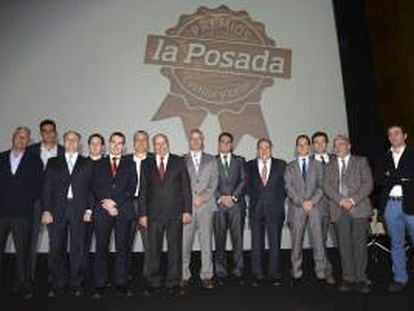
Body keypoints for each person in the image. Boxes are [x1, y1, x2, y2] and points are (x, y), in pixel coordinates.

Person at [41, 131, 94, 298]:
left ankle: (75, 283)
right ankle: (58, 283)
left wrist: (89, 209)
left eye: (75, 140)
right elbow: (47, 187)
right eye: (68, 139)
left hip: (79, 210)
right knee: (57, 246)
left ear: (79, 143)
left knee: (78, 248)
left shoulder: (87, 163)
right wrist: (46, 210)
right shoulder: (53, 162)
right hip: (57, 210)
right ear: (64, 142)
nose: (71, 142)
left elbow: (91, 189)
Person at [138, 133, 192, 297]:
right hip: (153, 214)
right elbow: (143, 190)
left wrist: (187, 210)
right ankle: (154, 282)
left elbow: (186, 188)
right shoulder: (146, 163)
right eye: (157, 144)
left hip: (175, 213)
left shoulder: (179, 161)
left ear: (168, 143)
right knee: (154, 250)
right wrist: (142, 214)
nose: (160, 147)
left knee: (175, 249)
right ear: (153, 146)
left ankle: (173, 282)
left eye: (163, 143)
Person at [324, 135, 373, 293]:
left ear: (349, 146)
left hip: (358, 208)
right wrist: (340, 200)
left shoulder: (361, 161)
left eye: (341, 144)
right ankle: (348, 278)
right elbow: (327, 186)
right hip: (339, 210)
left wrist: (352, 200)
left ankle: (361, 278)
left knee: (359, 245)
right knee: (344, 245)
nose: (338, 147)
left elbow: (368, 184)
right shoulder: (329, 165)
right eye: (336, 145)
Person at [91, 132, 137, 298]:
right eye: (114, 142)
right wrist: (106, 202)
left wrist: (115, 203)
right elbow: (94, 186)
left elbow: (131, 188)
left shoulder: (130, 164)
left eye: (120, 143)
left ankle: (121, 282)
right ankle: (100, 284)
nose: (116, 146)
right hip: (103, 211)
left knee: (122, 248)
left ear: (124, 146)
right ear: (109, 144)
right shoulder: (98, 163)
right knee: (101, 248)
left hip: (122, 211)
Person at [0, 127, 43, 299]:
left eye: (25, 138)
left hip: (22, 213)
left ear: (28, 141)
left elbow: (38, 187)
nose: (21, 140)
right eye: (19, 136)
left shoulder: (35, 160)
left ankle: (23, 283)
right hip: (1, 212)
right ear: (13, 137)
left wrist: (25, 201)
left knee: (22, 252)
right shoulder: (1, 158)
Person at [284, 135, 328, 284]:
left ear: (309, 147)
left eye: (305, 145)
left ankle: (321, 271)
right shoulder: (290, 166)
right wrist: (301, 202)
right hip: (297, 208)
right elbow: (288, 188)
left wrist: (312, 201)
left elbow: (322, 186)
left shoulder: (318, 164)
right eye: (300, 145)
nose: (302, 147)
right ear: (297, 148)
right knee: (296, 242)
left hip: (315, 208)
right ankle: (296, 270)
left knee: (318, 241)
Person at [376, 125, 414, 292]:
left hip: (411, 202)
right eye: (390, 134)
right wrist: (403, 178)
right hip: (390, 205)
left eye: (397, 133)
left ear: (404, 136)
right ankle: (400, 278)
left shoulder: (412, 154)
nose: (393, 136)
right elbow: (379, 180)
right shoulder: (383, 158)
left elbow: (391, 178)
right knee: (396, 243)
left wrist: (392, 177)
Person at [27, 119, 64, 282]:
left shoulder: (64, 152)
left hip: (56, 203)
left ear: (55, 133)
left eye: (51, 131)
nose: (48, 134)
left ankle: (54, 275)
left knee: (56, 242)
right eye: (45, 131)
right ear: (41, 133)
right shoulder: (30, 151)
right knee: (31, 240)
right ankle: (28, 276)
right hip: (34, 201)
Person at [181, 129, 218, 291]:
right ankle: (184, 275)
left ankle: (207, 275)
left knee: (206, 243)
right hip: (188, 208)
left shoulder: (211, 160)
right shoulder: (182, 160)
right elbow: (180, 185)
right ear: (189, 140)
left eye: (198, 138)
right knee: (185, 244)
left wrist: (202, 197)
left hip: (206, 206)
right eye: (193, 138)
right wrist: (191, 199)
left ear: (202, 140)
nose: (195, 141)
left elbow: (214, 182)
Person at [247, 138, 286, 287]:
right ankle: (257, 274)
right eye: (261, 148)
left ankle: (274, 273)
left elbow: (285, 188)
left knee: (275, 243)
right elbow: (248, 187)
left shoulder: (281, 165)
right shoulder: (249, 165)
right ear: (257, 149)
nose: (264, 150)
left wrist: (275, 201)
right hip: (256, 211)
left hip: (275, 210)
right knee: (257, 244)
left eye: (267, 147)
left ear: (271, 149)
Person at [214, 132, 246, 285]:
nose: (225, 144)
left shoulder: (239, 161)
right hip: (218, 206)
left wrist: (233, 197)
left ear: (231, 144)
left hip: (236, 205)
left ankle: (238, 269)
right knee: (219, 238)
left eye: (228, 142)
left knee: (237, 239)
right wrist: (220, 197)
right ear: (218, 144)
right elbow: (210, 183)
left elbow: (244, 180)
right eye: (222, 142)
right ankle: (220, 269)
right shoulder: (212, 161)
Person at [125, 130, 153, 281]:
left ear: (148, 142)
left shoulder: (155, 159)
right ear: (133, 142)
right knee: (125, 242)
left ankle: (149, 274)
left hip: (148, 206)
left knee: (149, 243)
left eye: (144, 139)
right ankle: (125, 273)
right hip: (128, 204)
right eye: (137, 139)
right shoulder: (124, 160)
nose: (141, 142)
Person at [310, 131, 336, 284]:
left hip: (339, 207)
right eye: (316, 142)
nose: (319, 145)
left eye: (322, 142)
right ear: (313, 146)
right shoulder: (307, 162)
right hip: (318, 208)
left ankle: (350, 273)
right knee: (320, 242)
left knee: (344, 242)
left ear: (327, 144)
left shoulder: (336, 159)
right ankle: (327, 271)